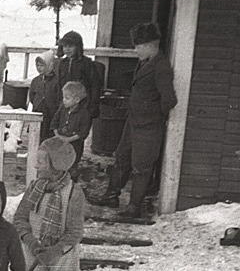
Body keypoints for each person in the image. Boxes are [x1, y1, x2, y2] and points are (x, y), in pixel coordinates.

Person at [89, 22, 177, 221]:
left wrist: (152, 116)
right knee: (122, 157)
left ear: (150, 45)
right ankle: (112, 196)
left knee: (141, 166)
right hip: (133, 122)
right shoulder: (146, 61)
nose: (135, 50)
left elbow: (169, 99)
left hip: (147, 126)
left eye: (138, 46)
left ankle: (134, 207)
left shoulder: (161, 66)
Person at [13, 137, 86, 271]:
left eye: (41, 161)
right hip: (34, 253)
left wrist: (55, 251)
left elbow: (74, 232)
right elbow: (20, 218)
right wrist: (31, 241)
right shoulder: (36, 187)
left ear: (56, 164)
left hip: (60, 259)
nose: (36, 166)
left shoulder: (74, 193)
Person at [54, 31, 102, 121]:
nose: (67, 49)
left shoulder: (86, 63)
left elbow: (95, 84)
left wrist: (92, 105)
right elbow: (59, 84)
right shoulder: (62, 64)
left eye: (71, 46)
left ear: (78, 47)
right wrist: (59, 103)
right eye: (65, 46)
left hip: (82, 104)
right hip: (66, 103)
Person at [52, 82, 93, 177]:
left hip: (75, 145)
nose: (64, 100)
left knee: (71, 166)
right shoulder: (62, 109)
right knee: (58, 164)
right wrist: (57, 135)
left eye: (67, 98)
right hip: (60, 142)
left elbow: (83, 132)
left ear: (77, 99)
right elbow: (54, 121)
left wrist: (69, 139)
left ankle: (71, 183)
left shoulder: (85, 114)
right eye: (63, 97)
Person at [29, 51, 61, 141]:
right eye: (37, 66)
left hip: (51, 113)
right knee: (36, 135)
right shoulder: (35, 81)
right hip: (38, 111)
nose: (39, 68)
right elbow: (32, 96)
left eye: (42, 65)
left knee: (49, 136)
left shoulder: (56, 81)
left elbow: (59, 97)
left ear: (49, 65)